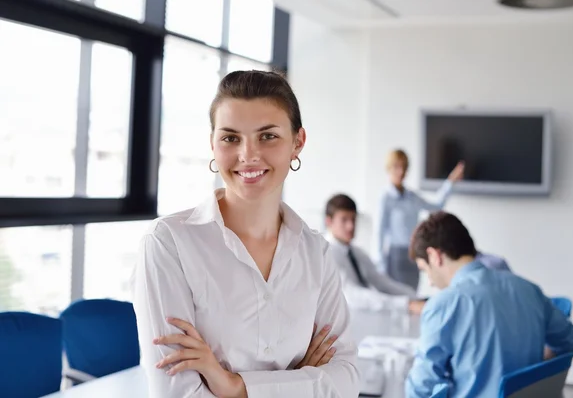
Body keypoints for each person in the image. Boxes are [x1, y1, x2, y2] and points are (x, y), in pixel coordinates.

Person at [133, 71, 359, 398]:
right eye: (230, 138)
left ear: (298, 142)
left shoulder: (315, 253)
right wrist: (299, 384)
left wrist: (235, 387)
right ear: (213, 144)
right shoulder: (169, 244)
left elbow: (347, 380)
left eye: (267, 136)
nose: (248, 155)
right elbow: (177, 393)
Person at [405, 211, 573, 398]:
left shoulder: (443, 305)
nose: (431, 282)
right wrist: (534, 369)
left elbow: (421, 388)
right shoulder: (528, 288)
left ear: (434, 256)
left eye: (424, 271)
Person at [377, 149, 464, 290]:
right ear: (389, 168)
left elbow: (436, 205)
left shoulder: (412, 197)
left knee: (412, 294)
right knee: (398, 298)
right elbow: (379, 232)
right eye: (396, 167)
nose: (401, 171)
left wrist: (450, 182)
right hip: (395, 257)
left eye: (404, 167)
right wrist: (379, 265)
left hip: (413, 254)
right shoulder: (385, 198)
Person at [324, 194, 417, 312]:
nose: (351, 226)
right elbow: (352, 296)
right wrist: (406, 304)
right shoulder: (326, 253)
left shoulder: (355, 252)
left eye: (353, 219)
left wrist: (413, 296)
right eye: (344, 219)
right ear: (329, 221)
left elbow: (381, 282)